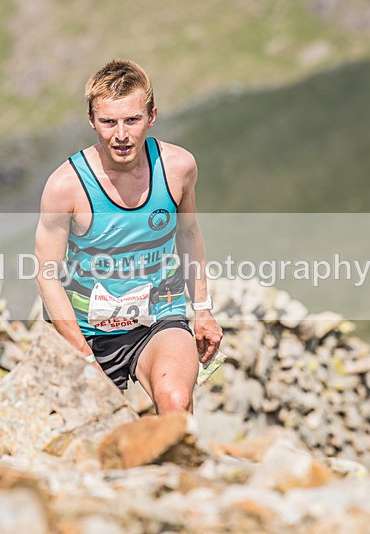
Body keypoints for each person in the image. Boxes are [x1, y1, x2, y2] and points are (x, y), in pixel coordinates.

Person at [34, 59, 222, 414]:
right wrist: (83, 357)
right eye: (108, 122)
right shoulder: (65, 186)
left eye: (132, 120)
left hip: (159, 317)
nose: (121, 135)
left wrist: (203, 310)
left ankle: (181, 468)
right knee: (94, 436)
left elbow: (189, 233)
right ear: (92, 121)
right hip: (86, 331)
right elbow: (47, 277)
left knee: (176, 401)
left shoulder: (178, 167)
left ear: (151, 116)